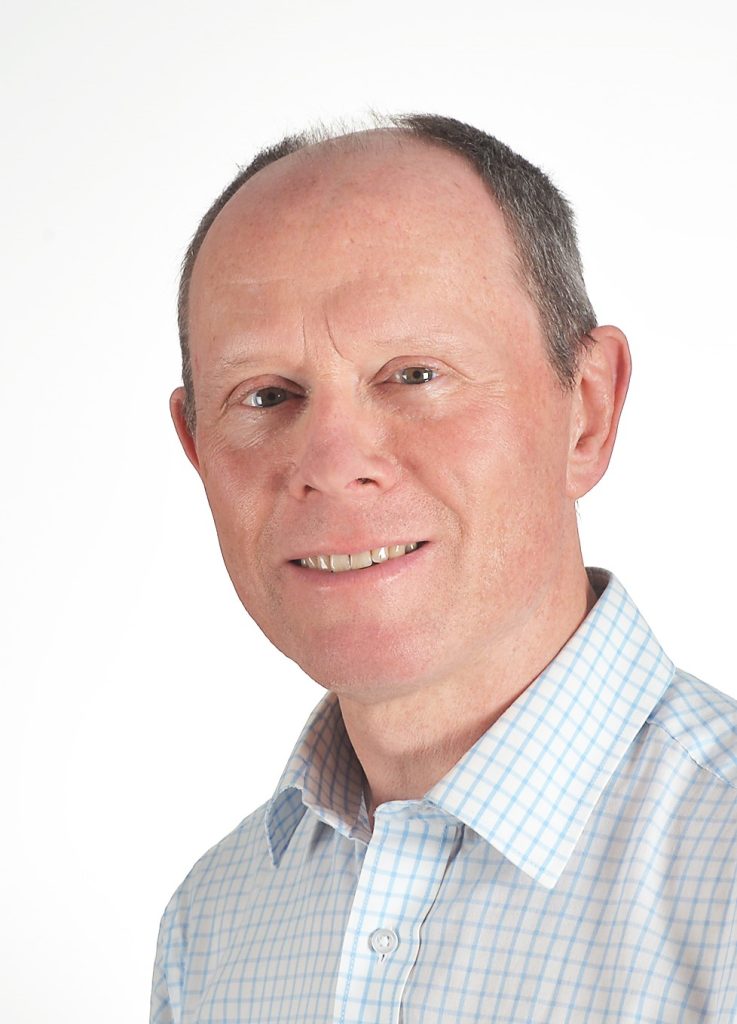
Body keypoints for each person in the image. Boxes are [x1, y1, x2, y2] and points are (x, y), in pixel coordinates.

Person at [150, 114, 737, 1023]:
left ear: (585, 411)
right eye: (265, 395)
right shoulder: (214, 921)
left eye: (414, 375)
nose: (332, 462)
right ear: (197, 451)